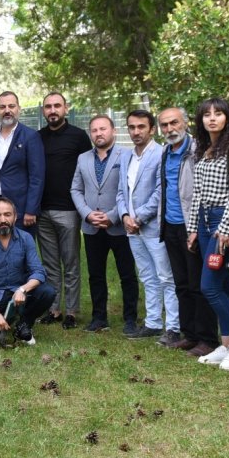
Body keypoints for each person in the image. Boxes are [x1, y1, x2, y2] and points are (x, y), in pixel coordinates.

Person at [187, 97, 229, 372]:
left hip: (220, 221)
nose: (212, 118)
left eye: (218, 113)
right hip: (204, 221)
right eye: (207, 114)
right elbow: (197, 192)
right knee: (221, 284)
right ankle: (227, 345)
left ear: (228, 117)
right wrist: (193, 227)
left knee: (210, 287)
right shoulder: (204, 149)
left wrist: (225, 228)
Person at [157, 106, 219, 355]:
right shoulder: (165, 152)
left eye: (174, 123)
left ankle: (207, 339)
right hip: (170, 226)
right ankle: (189, 334)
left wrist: (195, 227)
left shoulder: (199, 150)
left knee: (198, 284)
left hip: (192, 226)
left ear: (185, 123)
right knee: (181, 284)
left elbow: (203, 192)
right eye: (164, 125)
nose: (170, 129)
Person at [70, 114, 140, 334]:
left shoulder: (127, 155)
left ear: (113, 131)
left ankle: (130, 319)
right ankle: (99, 318)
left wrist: (113, 215)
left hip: (119, 225)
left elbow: (130, 190)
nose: (98, 133)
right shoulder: (83, 158)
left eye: (103, 129)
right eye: (94, 130)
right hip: (91, 227)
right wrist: (87, 214)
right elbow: (76, 189)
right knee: (95, 275)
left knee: (127, 275)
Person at [118, 109, 174, 341]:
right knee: (147, 276)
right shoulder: (126, 156)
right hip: (131, 228)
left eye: (141, 127)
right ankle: (153, 323)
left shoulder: (161, 154)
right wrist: (124, 216)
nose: (136, 131)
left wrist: (139, 218)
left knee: (166, 277)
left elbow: (161, 191)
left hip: (152, 227)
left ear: (152, 129)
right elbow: (121, 191)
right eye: (132, 127)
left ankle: (173, 326)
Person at [0, 196, 58, 344]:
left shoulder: (26, 238)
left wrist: (23, 289)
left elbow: (38, 271)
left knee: (48, 292)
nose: (3, 219)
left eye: (7, 214)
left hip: (19, 295)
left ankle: (24, 324)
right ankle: (3, 318)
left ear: (15, 216)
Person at [36, 92, 91, 327]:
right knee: (49, 265)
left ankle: (72, 311)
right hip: (42, 211)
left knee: (70, 263)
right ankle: (54, 309)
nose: (52, 110)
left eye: (57, 106)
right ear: (43, 111)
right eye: (48, 106)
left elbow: (87, 170)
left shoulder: (79, 136)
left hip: (69, 210)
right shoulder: (37, 137)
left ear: (65, 108)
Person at [0, 90, 46, 235]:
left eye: (11, 106)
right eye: (2, 107)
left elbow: (37, 177)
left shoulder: (31, 136)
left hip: (22, 210)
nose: (7, 110)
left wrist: (31, 209)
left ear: (19, 109)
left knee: (21, 247)